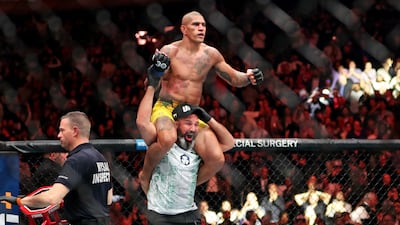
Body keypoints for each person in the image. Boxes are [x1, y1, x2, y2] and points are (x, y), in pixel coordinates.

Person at [136, 10, 264, 194]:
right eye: (196, 24)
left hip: (191, 112)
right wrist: (155, 71)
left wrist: (249, 77)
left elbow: (235, 78)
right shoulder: (169, 51)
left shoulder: (210, 54)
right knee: (167, 138)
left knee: (216, 159)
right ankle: (145, 176)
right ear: (184, 29)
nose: (201, 28)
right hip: (166, 108)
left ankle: (181, 187)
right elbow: (149, 86)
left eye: (203, 25)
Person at [137, 82, 235, 224]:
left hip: (188, 212)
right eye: (188, 123)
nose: (193, 129)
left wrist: (207, 118)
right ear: (176, 124)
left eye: (196, 125)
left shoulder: (196, 147)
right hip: (160, 215)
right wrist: (151, 88)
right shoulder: (162, 145)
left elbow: (229, 143)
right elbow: (142, 122)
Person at [0, 111, 113, 225]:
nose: (59, 135)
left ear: (75, 131)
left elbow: (52, 198)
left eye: (62, 130)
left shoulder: (77, 160)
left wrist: (20, 201)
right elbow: (108, 199)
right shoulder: (100, 157)